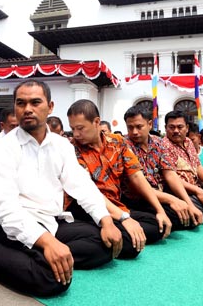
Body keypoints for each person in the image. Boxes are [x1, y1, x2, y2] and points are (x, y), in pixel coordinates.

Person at [0, 80, 122, 297]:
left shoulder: (62, 146)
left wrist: (106, 221)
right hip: (11, 224)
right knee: (52, 280)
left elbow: (81, 185)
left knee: (107, 243)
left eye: (35, 102)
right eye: (21, 103)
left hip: (52, 221)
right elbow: (7, 209)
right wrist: (47, 242)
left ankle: (18, 262)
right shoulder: (0, 149)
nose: (27, 109)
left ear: (50, 107)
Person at [67, 99, 172, 259]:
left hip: (118, 204)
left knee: (158, 224)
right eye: (72, 129)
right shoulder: (72, 149)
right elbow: (89, 192)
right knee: (130, 242)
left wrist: (160, 210)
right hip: (89, 209)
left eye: (80, 128)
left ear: (96, 122)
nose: (75, 134)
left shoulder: (117, 142)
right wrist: (124, 219)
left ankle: (116, 234)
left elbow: (136, 175)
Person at [123, 105, 203, 229]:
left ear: (150, 124)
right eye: (130, 127)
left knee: (190, 212)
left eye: (139, 127)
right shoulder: (123, 145)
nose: (134, 132)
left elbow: (170, 174)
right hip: (139, 198)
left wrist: (188, 203)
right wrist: (171, 200)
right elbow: (138, 185)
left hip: (161, 195)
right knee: (176, 219)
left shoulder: (159, 142)